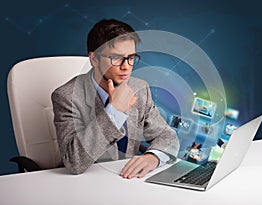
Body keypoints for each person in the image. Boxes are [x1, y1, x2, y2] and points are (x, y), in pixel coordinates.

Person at [51, 19, 179, 179]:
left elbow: (168, 136)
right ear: (94, 59)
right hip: (85, 183)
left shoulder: (140, 89)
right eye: (116, 58)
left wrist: (153, 157)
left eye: (131, 57)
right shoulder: (66, 96)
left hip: (129, 180)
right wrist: (114, 111)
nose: (126, 66)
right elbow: (74, 162)